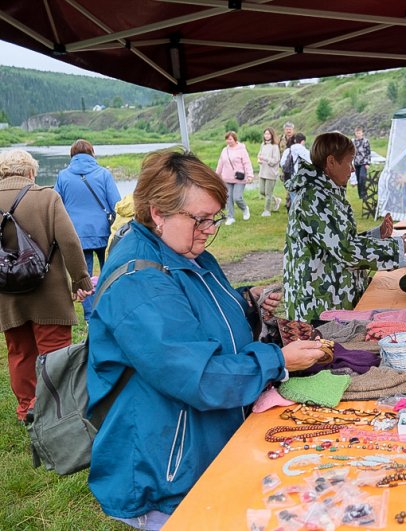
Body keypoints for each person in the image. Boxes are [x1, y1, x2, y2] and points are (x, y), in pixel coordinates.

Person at [86, 150, 325, 529]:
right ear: (158, 213)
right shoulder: (140, 282)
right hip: (167, 465)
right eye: (199, 219)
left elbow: (200, 319)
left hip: (201, 442)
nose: (208, 230)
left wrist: (246, 301)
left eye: (214, 219)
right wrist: (279, 361)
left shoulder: (187, 253)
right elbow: (201, 376)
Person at [0, 149, 93, 423]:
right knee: (55, 354)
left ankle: (27, 408)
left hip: (7, 295)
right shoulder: (47, 197)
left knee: (19, 352)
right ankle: (55, 409)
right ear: (31, 172)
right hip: (48, 293)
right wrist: (80, 280)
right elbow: (70, 242)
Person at [283, 132, 406, 322]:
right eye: (349, 162)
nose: (351, 170)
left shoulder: (324, 192)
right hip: (317, 307)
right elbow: (346, 251)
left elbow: (338, 240)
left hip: (329, 298)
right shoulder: (315, 198)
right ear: (331, 162)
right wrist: (398, 249)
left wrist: (377, 235)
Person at [54, 139, 121, 320]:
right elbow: (117, 204)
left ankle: (91, 316)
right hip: (104, 231)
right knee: (110, 271)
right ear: (92, 153)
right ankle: (110, 309)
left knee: (84, 276)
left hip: (77, 234)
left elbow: (56, 206)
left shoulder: (63, 176)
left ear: (72, 155)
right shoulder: (104, 174)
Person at [215, 131, 254, 226]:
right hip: (227, 178)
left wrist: (250, 175)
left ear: (235, 139)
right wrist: (216, 175)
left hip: (239, 178)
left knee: (237, 197)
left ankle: (245, 209)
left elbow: (247, 163)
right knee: (229, 198)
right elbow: (221, 163)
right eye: (227, 139)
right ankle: (230, 217)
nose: (228, 141)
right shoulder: (224, 150)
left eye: (230, 139)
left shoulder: (242, 150)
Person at [280, 133, 311, 208]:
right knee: (303, 196)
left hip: (290, 177)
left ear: (294, 140)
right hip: (302, 177)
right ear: (303, 141)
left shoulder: (288, 150)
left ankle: (295, 214)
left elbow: (282, 163)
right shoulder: (306, 152)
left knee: (293, 195)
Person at [257, 127, 282, 216]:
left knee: (268, 193)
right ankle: (276, 200)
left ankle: (267, 211)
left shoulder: (275, 146)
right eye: (265, 134)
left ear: (272, 135)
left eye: (268, 134)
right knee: (262, 192)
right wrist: (259, 160)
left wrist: (265, 159)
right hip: (262, 171)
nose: (266, 135)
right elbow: (259, 155)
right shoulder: (262, 145)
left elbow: (275, 160)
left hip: (271, 173)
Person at [352, 126, 371, 200]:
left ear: (362, 133)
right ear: (355, 133)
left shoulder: (365, 141)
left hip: (363, 163)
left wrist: (367, 163)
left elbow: (368, 153)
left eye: (359, 133)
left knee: (362, 179)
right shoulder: (353, 141)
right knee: (358, 180)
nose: (358, 134)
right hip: (356, 163)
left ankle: (364, 194)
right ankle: (360, 195)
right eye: (357, 133)